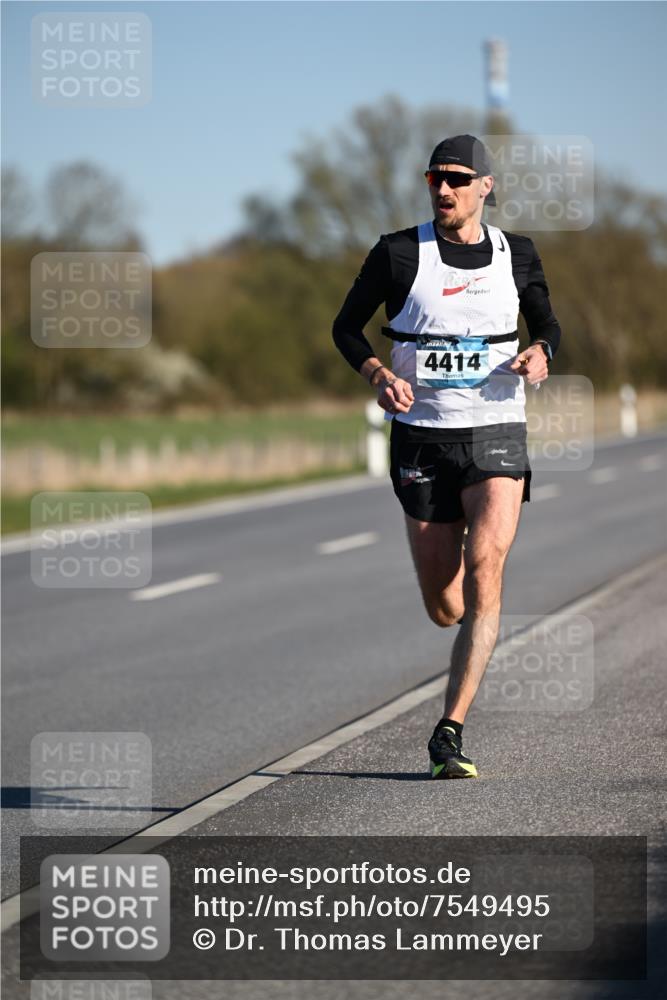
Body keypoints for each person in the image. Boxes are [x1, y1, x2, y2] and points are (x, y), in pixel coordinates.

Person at [332, 134, 561, 779]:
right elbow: (345, 327)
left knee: (486, 563)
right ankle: (461, 620)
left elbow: (548, 325)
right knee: (445, 605)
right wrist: (377, 372)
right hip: (423, 435)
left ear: (485, 185)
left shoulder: (518, 255)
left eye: (458, 179)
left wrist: (543, 351)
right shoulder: (399, 253)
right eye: (436, 178)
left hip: (495, 429)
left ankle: (449, 729)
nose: (444, 189)